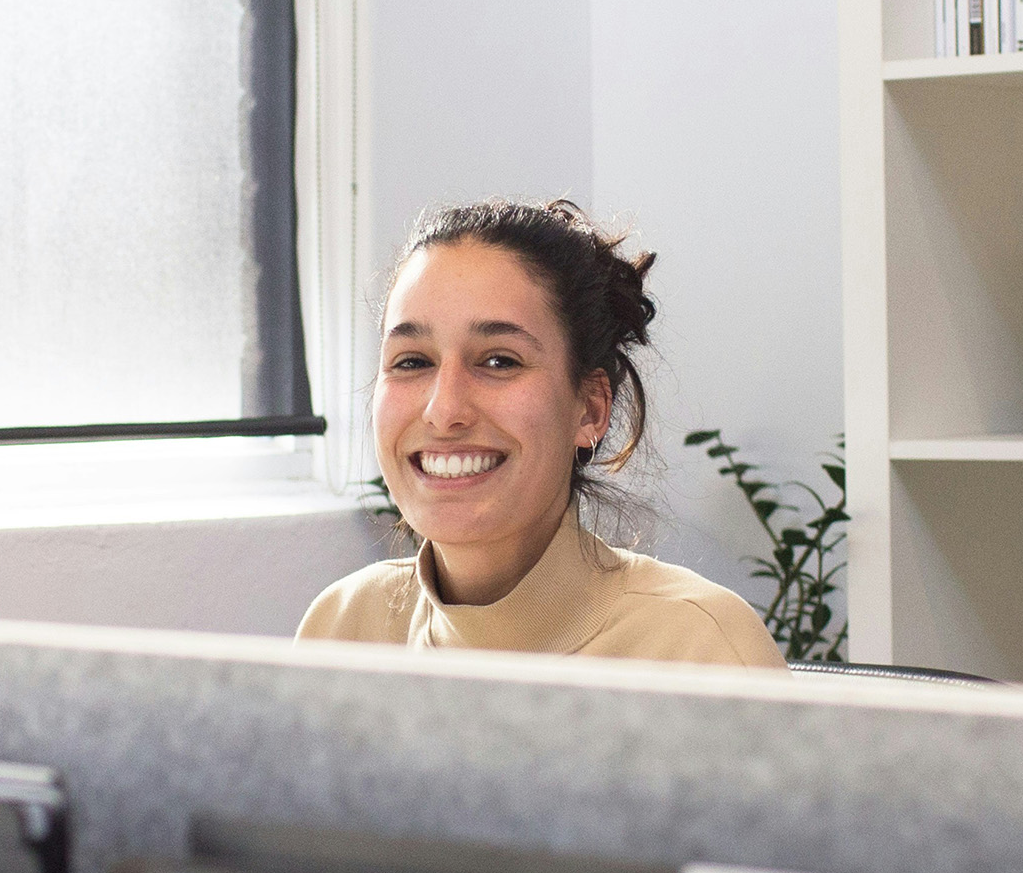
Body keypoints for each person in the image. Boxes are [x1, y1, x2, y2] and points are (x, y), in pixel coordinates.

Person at [297, 199, 786, 668]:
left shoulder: (700, 648)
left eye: (499, 361)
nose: (443, 411)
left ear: (591, 409)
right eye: (412, 362)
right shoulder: (342, 629)